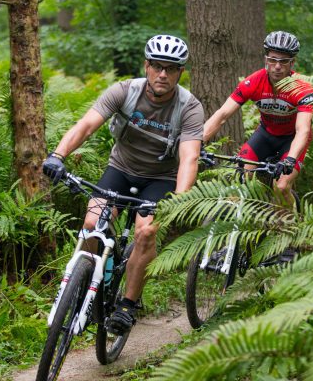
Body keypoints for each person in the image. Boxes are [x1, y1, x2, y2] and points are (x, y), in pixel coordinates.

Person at [42, 34, 204, 334]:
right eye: (157, 66)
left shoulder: (189, 107)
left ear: (181, 72)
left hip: (161, 178)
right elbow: (86, 125)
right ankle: (87, 287)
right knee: (92, 223)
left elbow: (189, 158)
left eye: (171, 68)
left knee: (146, 232)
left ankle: (128, 304)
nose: (163, 74)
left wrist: (181, 198)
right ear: (147, 66)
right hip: (122, 169)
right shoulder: (124, 91)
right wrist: (58, 155)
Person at [202, 31, 313, 204]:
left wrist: (291, 158)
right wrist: (198, 142)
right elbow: (222, 114)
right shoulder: (253, 82)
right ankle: (251, 219)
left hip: (291, 140)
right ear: (265, 59)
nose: (277, 66)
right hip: (266, 134)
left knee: (282, 187)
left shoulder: (302, 88)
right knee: (243, 179)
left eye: (283, 61)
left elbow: (303, 130)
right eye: (272, 60)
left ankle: (290, 224)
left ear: (292, 62)